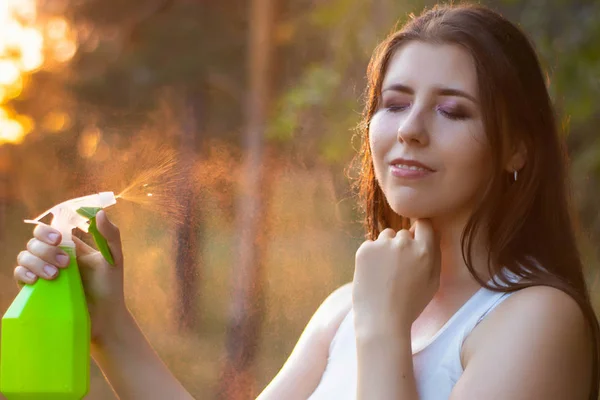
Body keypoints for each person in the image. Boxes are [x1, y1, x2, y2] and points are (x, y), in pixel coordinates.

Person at [13, 3, 600, 399]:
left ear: (516, 149)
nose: (410, 130)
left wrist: (384, 327)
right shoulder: (347, 307)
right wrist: (109, 321)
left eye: (452, 110)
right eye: (394, 104)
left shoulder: (535, 320)